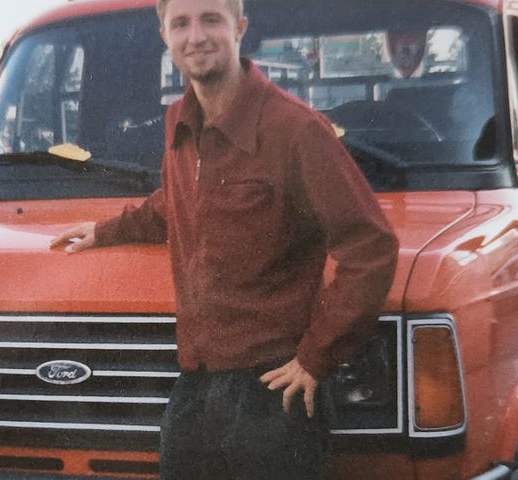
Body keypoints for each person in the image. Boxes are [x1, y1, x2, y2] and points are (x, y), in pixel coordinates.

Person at [48, 0, 398, 477]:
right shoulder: (179, 120)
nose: (197, 36)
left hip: (273, 387)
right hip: (196, 377)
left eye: (211, 19)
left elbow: (371, 245)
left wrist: (317, 358)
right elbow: (177, 201)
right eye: (181, 24)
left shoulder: (295, 129)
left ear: (240, 29)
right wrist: (107, 230)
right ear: (165, 37)